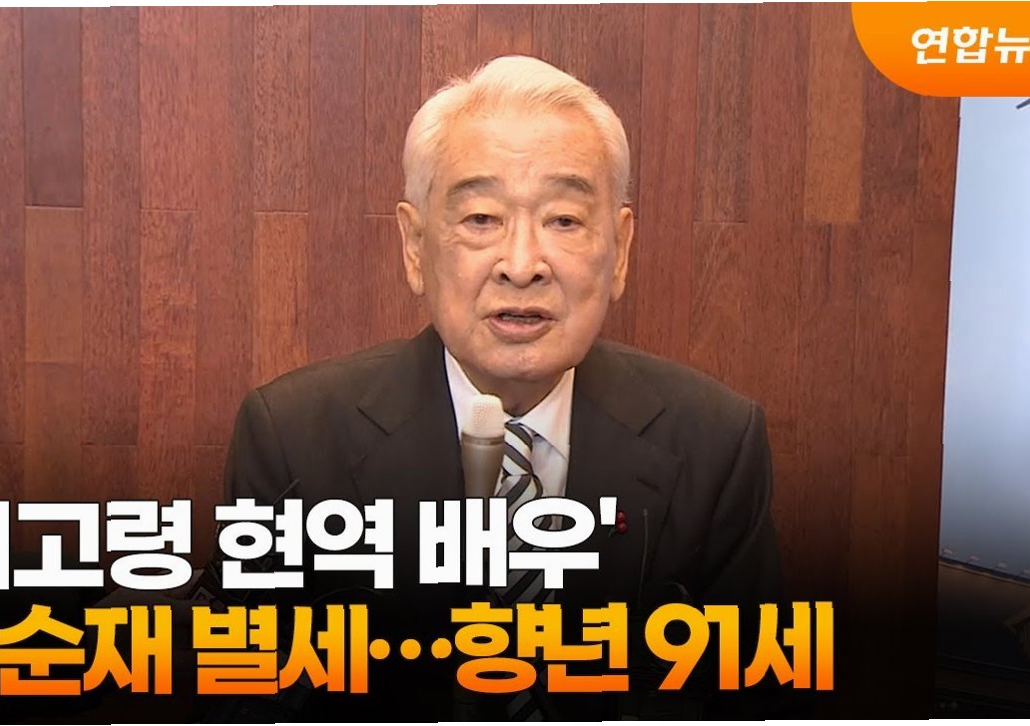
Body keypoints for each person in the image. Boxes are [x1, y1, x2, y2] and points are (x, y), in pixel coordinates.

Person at [218, 55, 781, 721]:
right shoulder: (292, 439)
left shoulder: (716, 444)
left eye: (564, 220)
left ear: (620, 250)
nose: (521, 265)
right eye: (481, 219)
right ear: (414, 246)